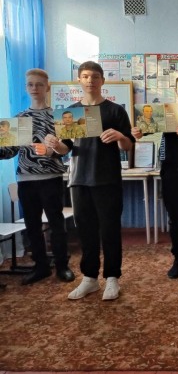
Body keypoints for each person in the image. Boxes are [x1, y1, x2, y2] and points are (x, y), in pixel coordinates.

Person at [45, 61, 134, 301]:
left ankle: (112, 277)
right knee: (85, 231)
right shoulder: (71, 112)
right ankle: (90, 278)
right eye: (85, 76)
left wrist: (120, 136)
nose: (90, 80)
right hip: (79, 180)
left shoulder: (115, 111)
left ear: (102, 80)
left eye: (95, 76)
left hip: (108, 180)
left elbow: (127, 146)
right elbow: (65, 149)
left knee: (110, 230)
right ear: (79, 80)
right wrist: (56, 144)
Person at [0, 69, 75, 285]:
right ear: (26, 87)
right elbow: (10, 151)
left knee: (57, 224)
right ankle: (40, 266)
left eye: (39, 84)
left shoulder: (58, 116)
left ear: (47, 87)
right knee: (32, 226)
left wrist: (54, 148)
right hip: (26, 180)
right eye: (30, 84)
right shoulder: (19, 119)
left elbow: (66, 149)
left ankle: (62, 266)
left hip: (51, 178)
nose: (35, 88)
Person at [132, 75, 178, 280]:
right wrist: (139, 132)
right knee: (175, 219)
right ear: (176, 90)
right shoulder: (165, 112)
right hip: (170, 172)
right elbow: (147, 128)